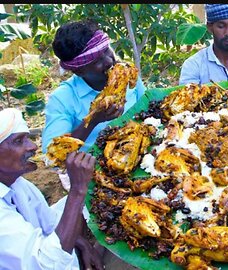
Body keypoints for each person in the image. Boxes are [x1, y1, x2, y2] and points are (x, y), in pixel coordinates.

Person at [0, 108, 103, 269]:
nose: (33, 146)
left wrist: (84, 244)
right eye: (19, 141)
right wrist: (77, 189)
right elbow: (45, 265)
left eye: (28, 138)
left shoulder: (18, 184)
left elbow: (49, 223)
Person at [42, 19, 146, 154]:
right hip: (92, 169)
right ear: (79, 71)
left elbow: (148, 108)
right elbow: (51, 155)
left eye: (106, 50)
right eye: (97, 61)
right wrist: (92, 120)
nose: (109, 61)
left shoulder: (129, 76)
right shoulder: (62, 98)